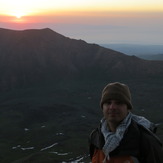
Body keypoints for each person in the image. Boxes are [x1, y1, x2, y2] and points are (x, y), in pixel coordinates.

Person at [89, 82, 163, 163]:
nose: (112, 107)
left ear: (128, 108)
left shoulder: (145, 141)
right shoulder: (96, 137)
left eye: (118, 103)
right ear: (102, 107)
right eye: (108, 103)